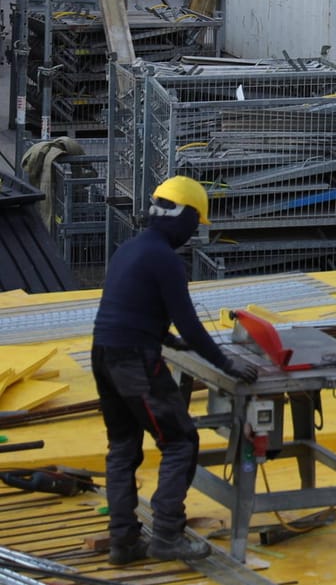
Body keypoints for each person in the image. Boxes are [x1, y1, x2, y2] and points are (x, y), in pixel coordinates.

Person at [91, 176, 260, 565]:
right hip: (134, 361)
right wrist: (226, 363)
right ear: (182, 217)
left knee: (122, 447)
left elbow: (129, 309)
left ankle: (124, 542)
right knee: (181, 440)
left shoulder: (130, 249)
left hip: (104, 353)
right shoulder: (165, 259)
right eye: (195, 222)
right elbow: (190, 323)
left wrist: (168, 342)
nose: (193, 233)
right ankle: (167, 534)